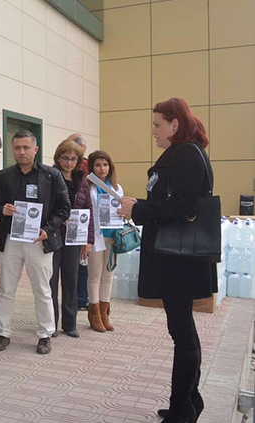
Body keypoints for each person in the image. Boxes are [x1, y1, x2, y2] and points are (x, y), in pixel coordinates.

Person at [119, 98, 215, 423]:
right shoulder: (183, 152)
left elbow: (183, 206)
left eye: (158, 124)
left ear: (175, 125)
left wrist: (140, 210)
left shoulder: (187, 152)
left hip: (180, 259)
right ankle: (188, 402)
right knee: (182, 331)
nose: (153, 131)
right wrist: (140, 205)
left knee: (183, 333)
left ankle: (183, 410)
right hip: (176, 257)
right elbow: (172, 199)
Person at [0, 130, 70, 355]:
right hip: (11, 239)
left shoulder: (52, 175)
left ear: (36, 149)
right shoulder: (3, 176)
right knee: (5, 289)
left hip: (39, 240)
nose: (21, 152)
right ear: (12, 150)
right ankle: (3, 333)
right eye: (17, 148)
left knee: (42, 290)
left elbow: (64, 208)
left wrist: (48, 230)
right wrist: (1, 210)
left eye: (26, 148)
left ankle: (45, 335)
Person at [48, 139, 94, 339]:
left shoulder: (82, 181)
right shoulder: (50, 177)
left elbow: (88, 211)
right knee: (50, 281)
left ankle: (70, 324)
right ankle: (51, 323)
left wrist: (89, 239)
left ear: (78, 160)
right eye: (65, 158)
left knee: (71, 280)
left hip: (75, 237)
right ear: (58, 158)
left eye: (73, 159)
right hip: (53, 234)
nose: (68, 163)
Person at [86, 150, 123, 333]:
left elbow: (122, 208)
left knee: (108, 276)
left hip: (113, 236)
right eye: (98, 165)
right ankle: (94, 315)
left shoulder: (117, 187)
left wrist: (122, 212)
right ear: (92, 167)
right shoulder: (89, 188)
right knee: (95, 276)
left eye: (105, 164)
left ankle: (105, 313)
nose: (102, 168)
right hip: (96, 237)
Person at [67, 133, 90, 310]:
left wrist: (89, 237)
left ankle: (82, 299)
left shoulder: (87, 169)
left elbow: (88, 204)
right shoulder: (58, 173)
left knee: (81, 266)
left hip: (81, 226)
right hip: (62, 228)